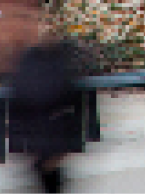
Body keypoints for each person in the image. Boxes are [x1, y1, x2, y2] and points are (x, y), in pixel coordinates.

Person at [7, 29, 88, 192]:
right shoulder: (50, 65)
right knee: (49, 178)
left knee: (49, 177)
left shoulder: (39, 65)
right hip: (44, 132)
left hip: (45, 133)